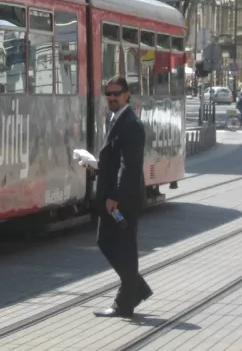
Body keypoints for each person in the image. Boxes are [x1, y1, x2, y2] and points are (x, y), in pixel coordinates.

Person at [90, 75, 152, 318]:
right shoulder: (118, 120)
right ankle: (134, 292)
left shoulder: (131, 124)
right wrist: (95, 166)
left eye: (116, 93)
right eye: (109, 94)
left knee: (121, 248)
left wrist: (115, 195)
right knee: (109, 243)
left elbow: (130, 166)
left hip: (122, 201)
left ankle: (125, 302)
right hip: (116, 198)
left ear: (127, 94)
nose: (112, 98)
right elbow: (115, 162)